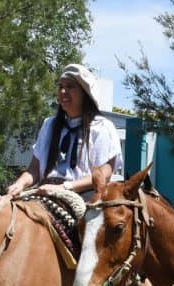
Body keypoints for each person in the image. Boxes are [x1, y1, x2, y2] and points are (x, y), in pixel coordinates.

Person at [7, 64, 123, 199]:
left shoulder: (102, 127)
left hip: (82, 194)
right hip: (45, 189)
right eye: (61, 87)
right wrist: (20, 183)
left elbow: (104, 173)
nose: (63, 92)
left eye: (70, 87)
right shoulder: (49, 125)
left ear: (85, 93)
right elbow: (34, 169)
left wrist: (65, 187)